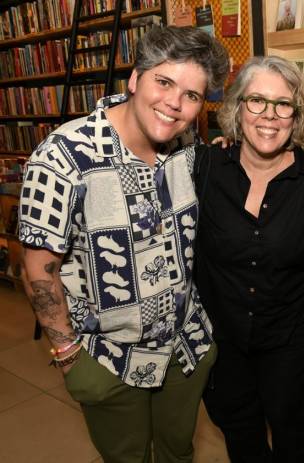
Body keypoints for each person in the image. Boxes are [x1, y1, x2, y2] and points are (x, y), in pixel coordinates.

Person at [18, 26, 229, 463]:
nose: (174, 102)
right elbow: (39, 268)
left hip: (183, 349)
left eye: (192, 95)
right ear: (135, 79)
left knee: (178, 452)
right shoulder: (62, 158)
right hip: (109, 358)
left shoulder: (187, 147)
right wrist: (68, 355)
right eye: (164, 82)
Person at [194, 56, 304, 463]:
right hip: (224, 342)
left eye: (283, 104)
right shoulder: (205, 167)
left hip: (288, 346)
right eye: (257, 101)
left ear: (297, 114)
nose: (269, 116)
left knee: (292, 439)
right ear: (237, 108)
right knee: (241, 437)